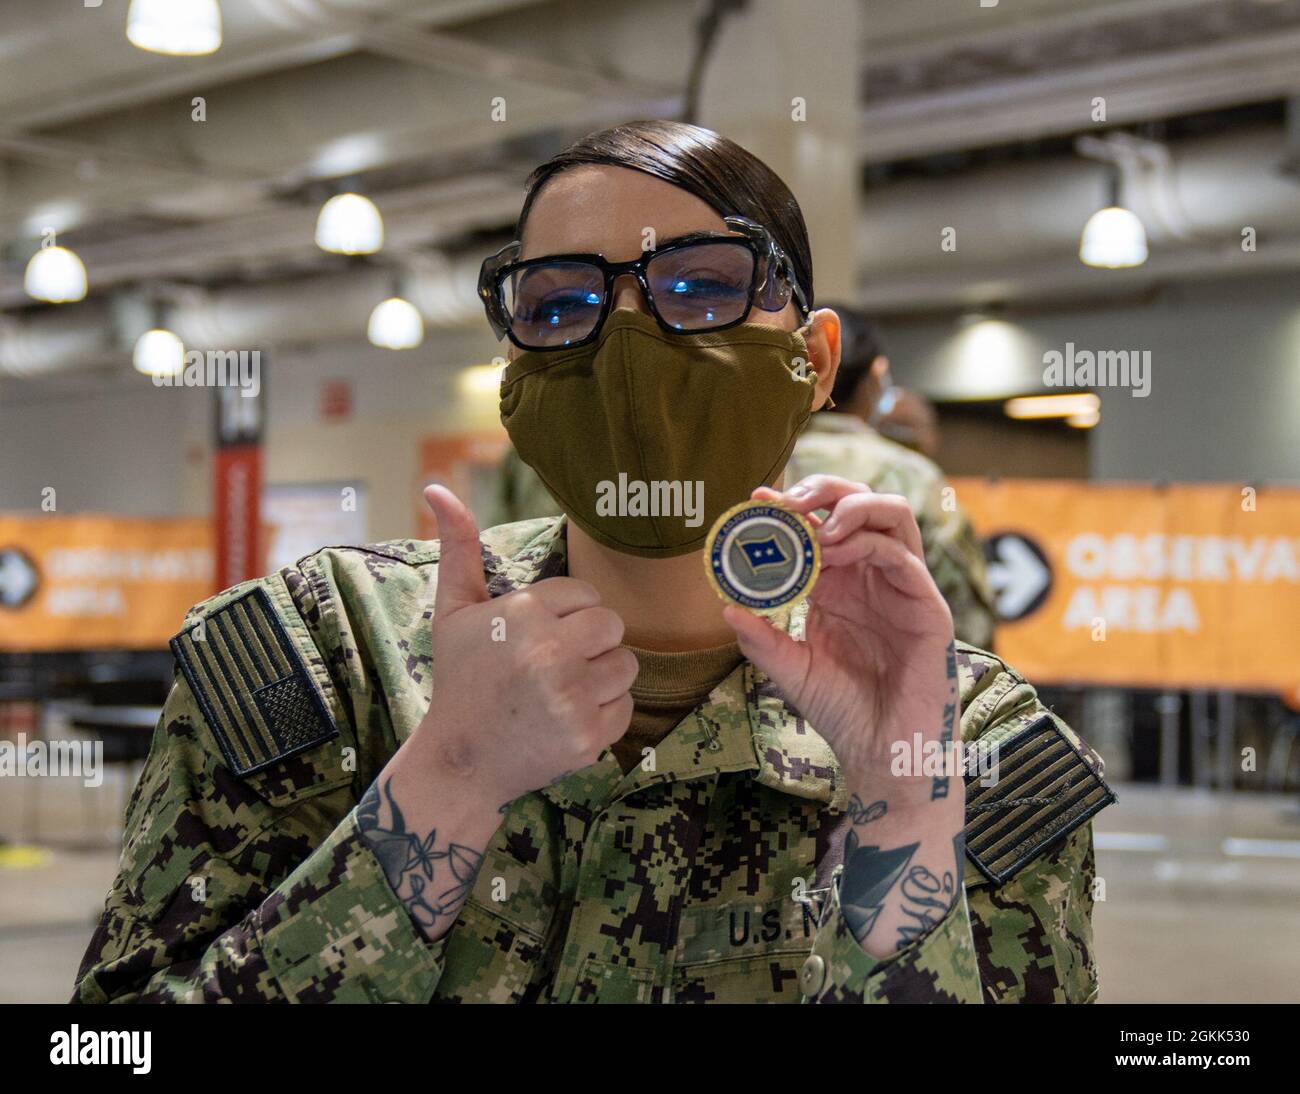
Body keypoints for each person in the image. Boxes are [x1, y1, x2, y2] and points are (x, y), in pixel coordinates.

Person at [74, 120, 1112, 1004]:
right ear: (515, 364)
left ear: (816, 361)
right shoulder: (320, 655)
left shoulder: (970, 736)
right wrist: (445, 782)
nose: (627, 349)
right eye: (561, 303)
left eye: (701, 286)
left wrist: (901, 795)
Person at [785, 308, 997, 649]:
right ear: (876, 376)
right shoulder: (913, 476)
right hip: (885, 683)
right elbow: (966, 618)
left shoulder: (755, 464)